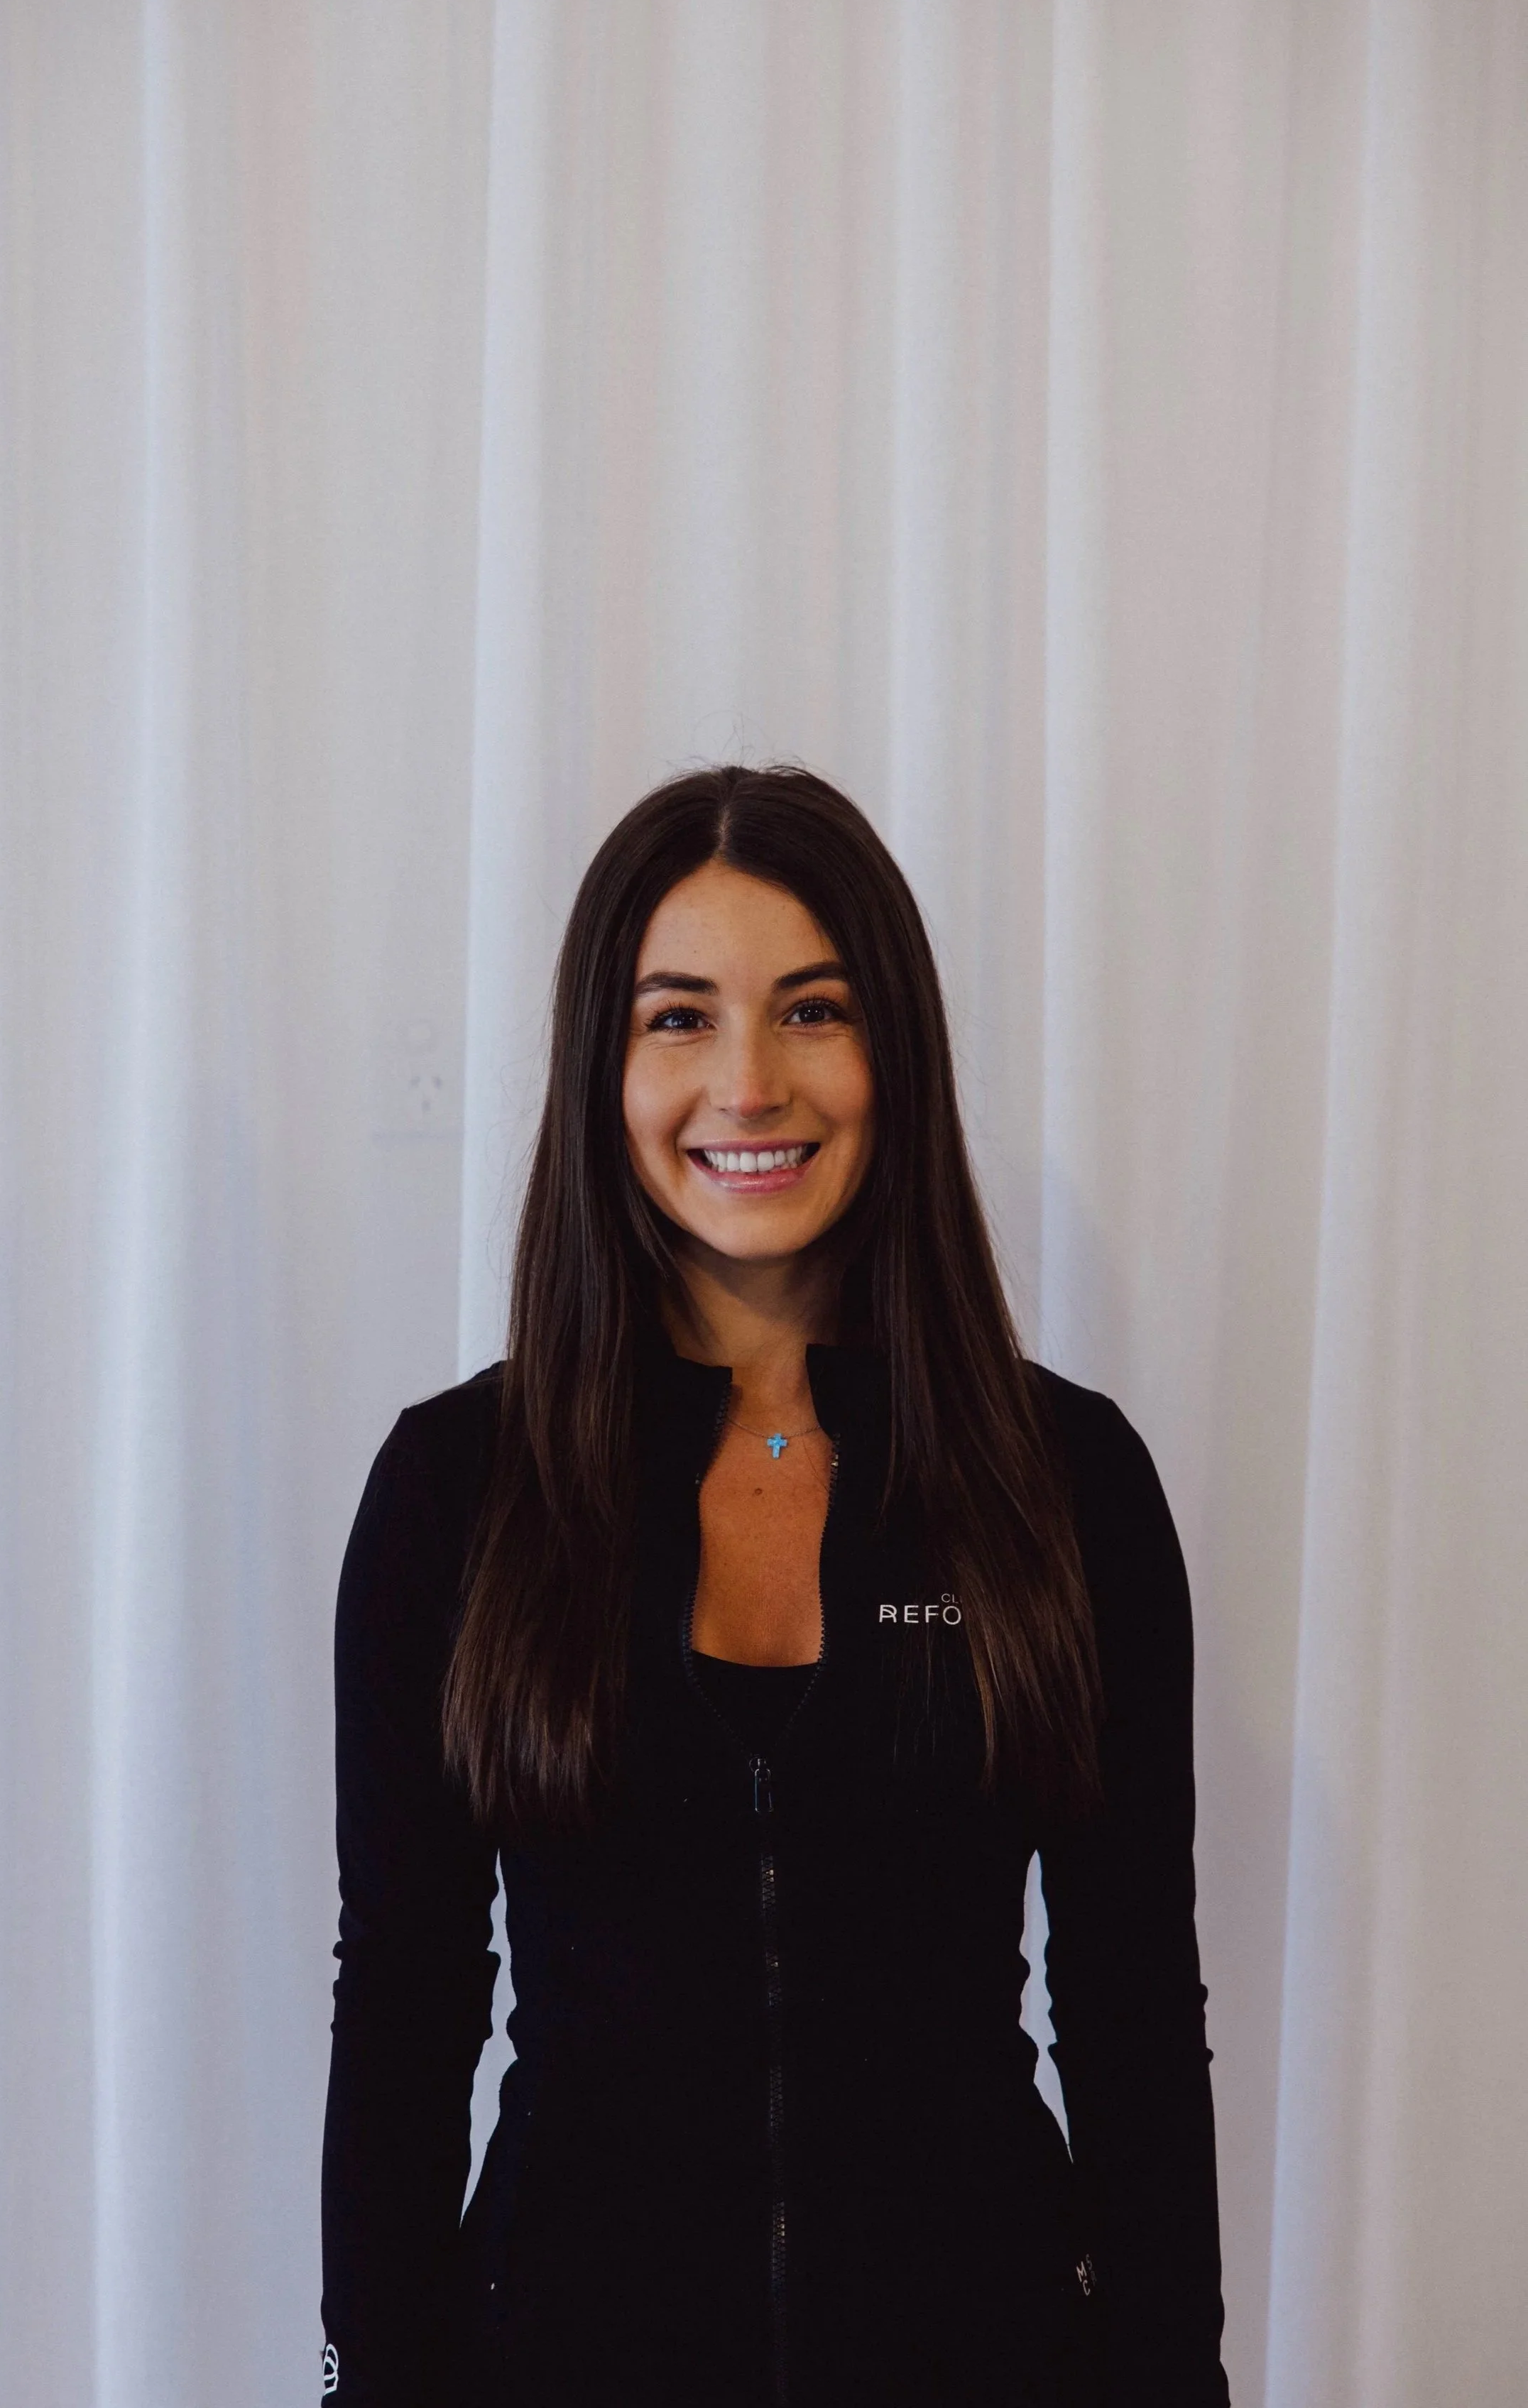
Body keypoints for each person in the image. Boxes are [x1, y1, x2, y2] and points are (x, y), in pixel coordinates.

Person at [319, 765, 1230, 2407]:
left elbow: (1132, 2005)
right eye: (679, 1018)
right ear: (604, 1067)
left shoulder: (1065, 1478)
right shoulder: (456, 1490)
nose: (747, 1082)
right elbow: (400, 2001)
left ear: (893, 1052)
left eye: (811, 1009)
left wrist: (1175, 2376)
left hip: (991, 2356)